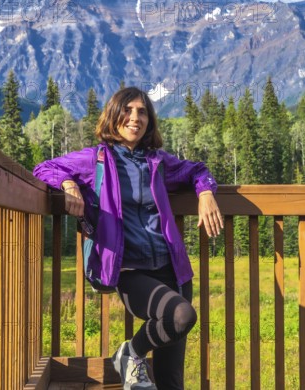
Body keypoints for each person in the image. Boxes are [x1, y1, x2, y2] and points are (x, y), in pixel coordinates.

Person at [33, 86, 223, 390]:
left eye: (142, 111)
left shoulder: (157, 162)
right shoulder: (96, 159)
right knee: (182, 315)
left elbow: (197, 170)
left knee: (170, 378)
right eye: (128, 110)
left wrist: (205, 193)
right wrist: (68, 183)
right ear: (114, 116)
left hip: (173, 271)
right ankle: (131, 353)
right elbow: (44, 168)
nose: (136, 117)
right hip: (130, 271)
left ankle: (134, 358)